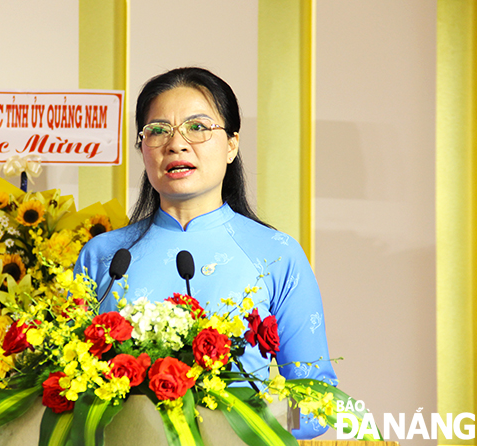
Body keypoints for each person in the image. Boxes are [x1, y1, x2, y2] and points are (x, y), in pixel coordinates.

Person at [74, 67, 337, 439]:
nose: (176, 144)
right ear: (142, 148)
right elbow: (59, 387)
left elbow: (318, 401)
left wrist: (237, 423)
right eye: (158, 131)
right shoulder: (104, 256)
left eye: (198, 127)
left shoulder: (276, 254)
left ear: (231, 144)